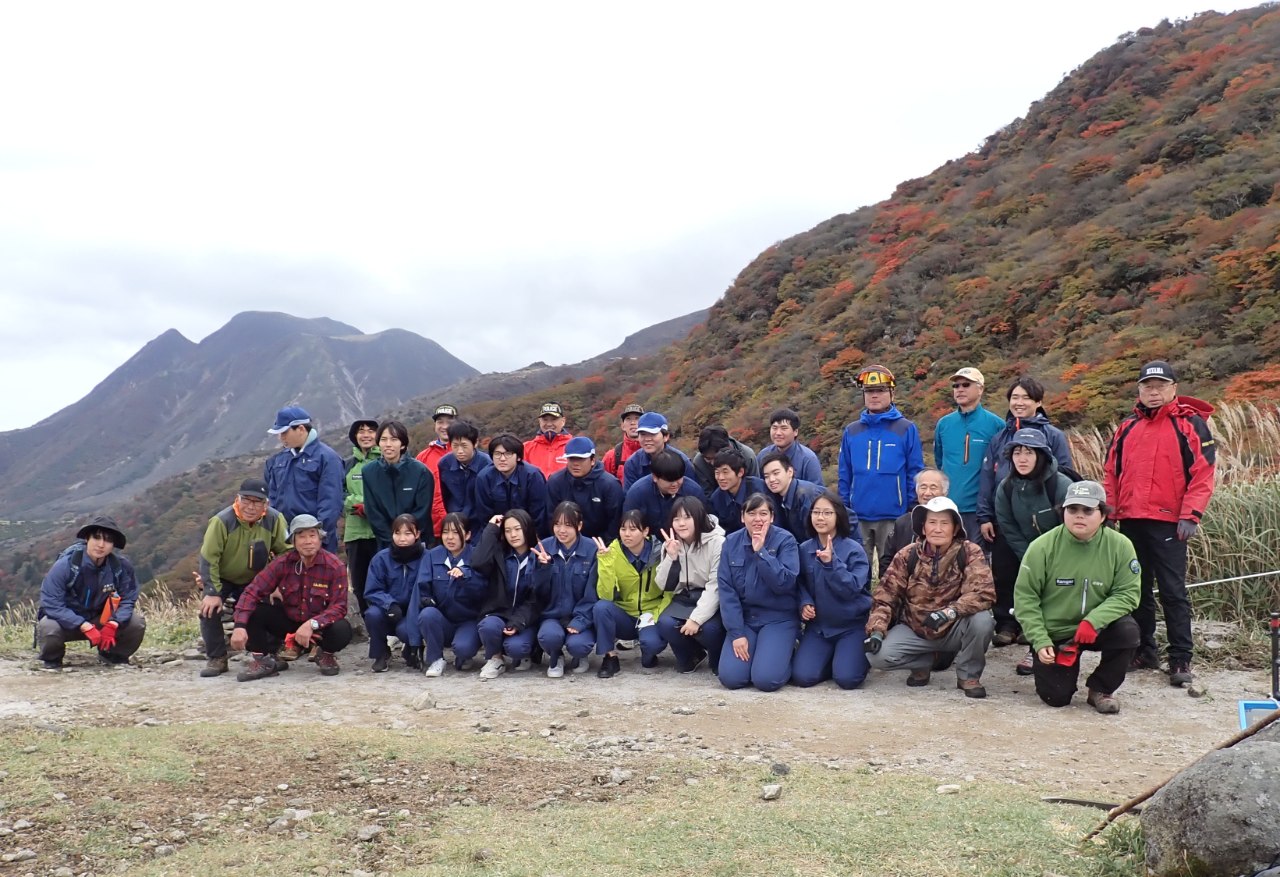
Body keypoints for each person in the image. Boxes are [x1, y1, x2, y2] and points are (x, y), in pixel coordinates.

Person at [1104, 360, 1216, 685]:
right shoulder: (1127, 427)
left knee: (1172, 591)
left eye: (1160, 386)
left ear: (1173, 388)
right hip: (1130, 520)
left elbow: (1204, 472)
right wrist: (1109, 513)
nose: (1153, 392)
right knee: (1136, 589)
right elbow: (1111, 471)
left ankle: (1180, 659)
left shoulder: (1190, 423)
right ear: (1139, 390)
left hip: (1170, 522)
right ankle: (1144, 651)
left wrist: (1191, 514)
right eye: (1147, 386)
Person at [1014, 481, 1141, 713]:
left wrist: (1094, 621)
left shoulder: (1121, 546)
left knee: (1128, 631)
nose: (1079, 516)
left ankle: (1101, 688)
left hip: (1099, 628)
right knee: (1056, 698)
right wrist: (1040, 640)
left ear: (1103, 515)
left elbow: (1128, 593)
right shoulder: (1041, 547)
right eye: (1072, 509)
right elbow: (1025, 598)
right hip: (1056, 632)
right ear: (1063, 512)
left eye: (1088, 510)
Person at [976, 376, 1075, 645]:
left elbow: (1064, 472)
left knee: (1041, 572)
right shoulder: (1000, 437)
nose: (1019, 403)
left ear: (1039, 402)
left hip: (1044, 516)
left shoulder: (1053, 435)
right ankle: (1007, 623)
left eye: (1026, 398)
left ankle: (1036, 624)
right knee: (1005, 571)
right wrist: (984, 515)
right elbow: (987, 477)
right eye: (1014, 398)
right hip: (1006, 513)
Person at [864, 497, 995, 697]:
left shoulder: (970, 552)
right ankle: (923, 663)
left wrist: (950, 612)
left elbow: (983, 593)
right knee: (876, 656)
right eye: (932, 522)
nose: (938, 529)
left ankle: (968, 675)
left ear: (955, 528)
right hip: (914, 629)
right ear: (923, 528)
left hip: (953, 627)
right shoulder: (907, 555)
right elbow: (885, 597)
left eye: (944, 523)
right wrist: (876, 630)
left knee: (983, 621)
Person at [231, 514, 351, 681]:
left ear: (320, 539)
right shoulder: (283, 563)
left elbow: (339, 606)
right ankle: (263, 661)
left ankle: (326, 654)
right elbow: (252, 591)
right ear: (293, 541)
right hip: (289, 621)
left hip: (319, 626)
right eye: (301, 536)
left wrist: (312, 624)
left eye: (312, 535)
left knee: (342, 629)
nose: (308, 541)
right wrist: (239, 626)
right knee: (255, 611)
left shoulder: (334, 566)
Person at [994, 428, 1076, 675]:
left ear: (1041, 455)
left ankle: (1061, 646)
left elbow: (1073, 525)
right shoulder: (1006, 488)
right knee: (1031, 596)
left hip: (1064, 551)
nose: (1022, 458)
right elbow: (1008, 526)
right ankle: (1035, 647)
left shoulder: (1060, 485)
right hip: (1028, 552)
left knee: (1055, 598)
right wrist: (1030, 559)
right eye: (1017, 452)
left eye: (1029, 452)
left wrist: (1055, 558)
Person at [195, 479, 289, 677]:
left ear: (266, 504)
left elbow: (284, 552)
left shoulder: (274, 519)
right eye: (246, 500)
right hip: (224, 576)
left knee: (272, 605)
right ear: (237, 499)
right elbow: (209, 557)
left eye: (257, 502)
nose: (251, 507)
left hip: (258, 577)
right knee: (209, 610)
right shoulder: (221, 521)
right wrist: (212, 591)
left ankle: (270, 653)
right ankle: (217, 657)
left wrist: (278, 583)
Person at [837, 365, 925, 574]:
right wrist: (844, 507)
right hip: (858, 515)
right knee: (857, 570)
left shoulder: (906, 428)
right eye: (869, 391)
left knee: (893, 572)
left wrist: (911, 507)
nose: (874, 395)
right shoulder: (852, 431)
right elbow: (844, 473)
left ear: (892, 393)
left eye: (880, 390)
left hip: (894, 515)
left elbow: (915, 470)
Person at [37, 515, 146, 670]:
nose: (101, 545)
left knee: (136, 623)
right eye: (96, 538)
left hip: (100, 620)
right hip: (67, 622)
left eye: (108, 540)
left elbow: (128, 598)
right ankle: (53, 660)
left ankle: (113, 655)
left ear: (113, 545)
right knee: (49, 627)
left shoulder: (120, 567)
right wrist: (82, 625)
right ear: (87, 539)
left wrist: (114, 623)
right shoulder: (66, 566)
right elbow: (51, 603)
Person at [716, 493, 801, 692]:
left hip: (778, 618)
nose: (757, 519)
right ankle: (763, 655)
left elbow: (784, 583)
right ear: (742, 516)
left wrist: (761, 552)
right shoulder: (731, 542)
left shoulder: (785, 540)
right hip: (746, 620)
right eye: (751, 513)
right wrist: (736, 633)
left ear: (772, 517)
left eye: (763, 513)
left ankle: (788, 651)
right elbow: (727, 591)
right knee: (731, 678)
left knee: (766, 680)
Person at [792, 491, 873, 689]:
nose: (820, 517)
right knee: (803, 677)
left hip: (851, 625)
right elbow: (798, 582)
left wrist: (831, 564)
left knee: (847, 679)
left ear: (838, 516)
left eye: (827, 513)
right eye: (816, 512)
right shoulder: (804, 549)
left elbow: (852, 588)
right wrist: (804, 602)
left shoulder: (854, 549)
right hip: (819, 627)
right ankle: (834, 659)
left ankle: (852, 659)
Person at [471, 510, 551, 679]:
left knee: (517, 648)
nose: (513, 535)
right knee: (488, 626)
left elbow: (538, 598)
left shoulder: (539, 555)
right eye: (507, 530)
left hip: (526, 618)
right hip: (499, 613)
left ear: (527, 528)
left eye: (517, 529)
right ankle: (495, 658)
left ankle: (530, 651)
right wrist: (491, 529)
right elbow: (477, 562)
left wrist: (518, 621)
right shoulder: (500, 553)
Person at [591, 509, 669, 678]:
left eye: (633, 529)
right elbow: (606, 595)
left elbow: (669, 591)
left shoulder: (660, 552)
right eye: (623, 529)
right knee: (601, 607)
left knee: (651, 647)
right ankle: (610, 657)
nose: (627, 534)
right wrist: (605, 563)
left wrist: (655, 614)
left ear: (645, 531)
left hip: (650, 614)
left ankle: (649, 653)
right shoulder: (612, 552)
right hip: (624, 615)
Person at [655, 497, 727, 674]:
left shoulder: (717, 542)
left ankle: (718, 657)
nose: (681, 523)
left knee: (709, 629)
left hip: (711, 598)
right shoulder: (671, 543)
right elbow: (663, 585)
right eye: (676, 518)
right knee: (665, 623)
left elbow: (715, 586)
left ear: (699, 517)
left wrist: (696, 619)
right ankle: (692, 655)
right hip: (685, 597)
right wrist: (671, 558)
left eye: (687, 517)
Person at [934, 367, 1004, 541]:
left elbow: (1001, 469)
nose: (960, 389)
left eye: (966, 385)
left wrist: (989, 512)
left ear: (980, 389)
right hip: (949, 508)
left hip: (980, 512)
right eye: (956, 386)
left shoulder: (996, 424)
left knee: (977, 557)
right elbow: (940, 461)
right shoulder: (944, 424)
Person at [263, 405, 345, 553]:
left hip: (315, 542)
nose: (281, 437)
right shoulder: (278, 460)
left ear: (301, 429)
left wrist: (317, 536)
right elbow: (272, 498)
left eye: (284, 432)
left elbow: (330, 502)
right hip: (284, 540)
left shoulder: (327, 458)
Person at [535, 502, 599, 678]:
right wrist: (544, 568)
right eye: (557, 524)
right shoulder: (544, 548)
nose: (561, 530)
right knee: (548, 637)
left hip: (580, 615)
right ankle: (556, 657)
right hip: (551, 615)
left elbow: (593, 592)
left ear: (579, 526)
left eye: (568, 525)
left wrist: (581, 620)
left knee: (579, 645)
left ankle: (580, 656)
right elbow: (536, 592)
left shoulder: (592, 549)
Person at [418, 513, 486, 677]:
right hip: (443, 618)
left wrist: (466, 576)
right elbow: (423, 588)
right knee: (427, 614)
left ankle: (463, 655)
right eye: (445, 532)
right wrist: (428, 601)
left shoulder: (478, 556)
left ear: (467, 535)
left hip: (469, 620)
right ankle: (436, 659)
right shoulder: (432, 556)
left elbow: (484, 589)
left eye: (456, 532)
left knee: (463, 649)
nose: (450, 537)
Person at [363, 514, 430, 673]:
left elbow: (430, 587)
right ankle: (381, 653)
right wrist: (389, 604)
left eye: (408, 533)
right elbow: (372, 590)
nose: (402, 538)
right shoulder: (381, 558)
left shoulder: (427, 557)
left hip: (414, 612)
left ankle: (412, 648)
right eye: (397, 533)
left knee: (405, 631)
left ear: (417, 534)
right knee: (372, 614)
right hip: (388, 610)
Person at [361, 420, 435, 550]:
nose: (388, 444)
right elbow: (373, 512)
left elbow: (422, 511)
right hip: (386, 544)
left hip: (417, 541)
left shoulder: (421, 472)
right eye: (383, 439)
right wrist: (392, 539)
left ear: (403, 444)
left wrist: (405, 536)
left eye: (394, 439)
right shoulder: (369, 472)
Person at [546, 436, 625, 545]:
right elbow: (551, 518)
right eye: (571, 459)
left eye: (581, 459)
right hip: (564, 543)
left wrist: (598, 547)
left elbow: (614, 522)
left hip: (601, 545)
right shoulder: (555, 482)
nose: (575, 463)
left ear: (592, 460)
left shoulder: (610, 485)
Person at [760, 450, 843, 547]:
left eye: (776, 473)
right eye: (766, 476)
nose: (771, 479)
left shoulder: (806, 495)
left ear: (790, 472)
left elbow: (814, 535)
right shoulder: (779, 497)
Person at [474, 433, 551, 537]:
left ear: (518, 457)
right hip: (498, 533)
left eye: (508, 454)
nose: (502, 459)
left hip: (529, 532)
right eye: (497, 454)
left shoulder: (532, 475)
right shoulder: (484, 477)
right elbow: (485, 515)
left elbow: (539, 514)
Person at [881, 468, 948, 579]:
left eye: (933, 487)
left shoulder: (953, 523)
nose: (927, 493)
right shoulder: (902, 523)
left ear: (945, 492)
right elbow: (887, 560)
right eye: (923, 487)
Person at [343, 418, 381, 614]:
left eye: (371, 431)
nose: (366, 435)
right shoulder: (347, 464)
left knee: (382, 581)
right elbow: (338, 493)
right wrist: (356, 503)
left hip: (380, 532)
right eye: (361, 431)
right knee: (359, 585)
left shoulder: (385, 460)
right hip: (355, 533)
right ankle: (367, 624)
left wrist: (370, 506)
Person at [623, 449, 707, 533]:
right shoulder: (637, 493)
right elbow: (628, 526)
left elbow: (704, 524)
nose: (675, 484)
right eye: (669, 480)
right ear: (655, 477)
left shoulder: (694, 491)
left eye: (679, 479)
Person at [436, 420, 492, 533]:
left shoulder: (487, 464)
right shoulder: (445, 464)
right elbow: (446, 495)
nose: (460, 451)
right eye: (455, 446)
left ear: (475, 443)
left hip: (481, 523)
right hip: (456, 522)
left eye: (464, 446)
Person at [415, 403, 458, 539]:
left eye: (449, 422)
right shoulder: (422, 457)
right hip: (433, 530)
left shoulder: (465, 453)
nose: (444, 426)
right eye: (440, 422)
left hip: (462, 529)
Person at [622, 411, 696, 490]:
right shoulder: (632, 463)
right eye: (643, 434)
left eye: (653, 434)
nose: (647, 439)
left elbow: (692, 492)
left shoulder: (682, 461)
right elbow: (630, 494)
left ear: (665, 436)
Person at [756, 408, 825, 486]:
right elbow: (757, 485)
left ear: (795, 432)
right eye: (774, 428)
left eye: (784, 428)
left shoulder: (808, 458)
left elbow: (817, 490)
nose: (778, 433)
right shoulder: (763, 455)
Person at [708, 448, 768, 536]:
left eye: (725, 472)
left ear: (740, 472)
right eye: (717, 472)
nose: (720, 477)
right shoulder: (716, 498)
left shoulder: (759, 488)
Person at [690, 425, 758, 494]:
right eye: (708, 459)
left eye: (716, 458)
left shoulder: (747, 456)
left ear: (728, 447)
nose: (713, 463)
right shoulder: (699, 462)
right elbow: (707, 494)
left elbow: (755, 488)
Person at [524, 402, 573, 478]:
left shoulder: (574, 446)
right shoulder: (526, 448)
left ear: (563, 421)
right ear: (539, 421)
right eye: (545, 420)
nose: (549, 424)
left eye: (554, 419)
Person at [601, 403, 645, 481]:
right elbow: (602, 483)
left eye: (637, 418)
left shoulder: (654, 453)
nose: (633, 423)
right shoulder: (611, 456)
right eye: (628, 419)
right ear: (623, 426)